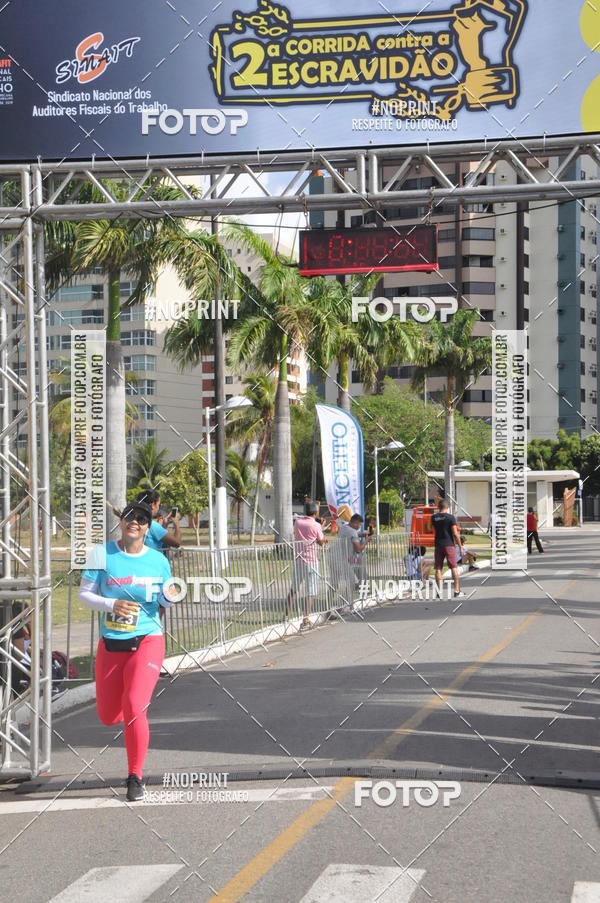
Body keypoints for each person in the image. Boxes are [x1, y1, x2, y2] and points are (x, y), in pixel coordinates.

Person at [79, 500, 175, 801]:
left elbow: (165, 601)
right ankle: (130, 711)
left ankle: (135, 776)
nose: (135, 521)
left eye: (143, 518)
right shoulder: (101, 554)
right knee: (109, 715)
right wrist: (111, 604)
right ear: (122, 521)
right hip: (111, 643)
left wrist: (171, 596)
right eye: (131, 516)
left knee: (134, 705)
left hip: (147, 640)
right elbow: (84, 595)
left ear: (149, 528)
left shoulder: (158, 561)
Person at [287, 500, 328, 626]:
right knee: (310, 591)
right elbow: (320, 541)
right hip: (311, 561)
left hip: (299, 560)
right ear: (315, 513)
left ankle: (285, 615)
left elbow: (300, 534)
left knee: (293, 589)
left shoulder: (298, 522)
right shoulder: (316, 526)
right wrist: (322, 531)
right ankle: (306, 617)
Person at [431, 499, 465, 598]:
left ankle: (438, 592)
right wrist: (460, 546)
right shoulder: (450, 517)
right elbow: (455, 533)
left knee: (438, 568)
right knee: (454, 568)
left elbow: (432, 529)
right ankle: (457, 591)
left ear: (438, 507)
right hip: (449, 545)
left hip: (438, 545)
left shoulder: (434, 517)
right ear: (447, 507)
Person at [338, 513, 373, 590]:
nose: (360, 527)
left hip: (342, 559)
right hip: (349, 561)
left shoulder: (343, 528)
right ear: (355, 523)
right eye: (359, 525)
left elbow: (354, 534)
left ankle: (349, 598)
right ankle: (349, 599)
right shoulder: (352, 532)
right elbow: (358, 550)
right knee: (355, 584)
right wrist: (366, 540)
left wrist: (363, 534)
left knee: (362, 578)